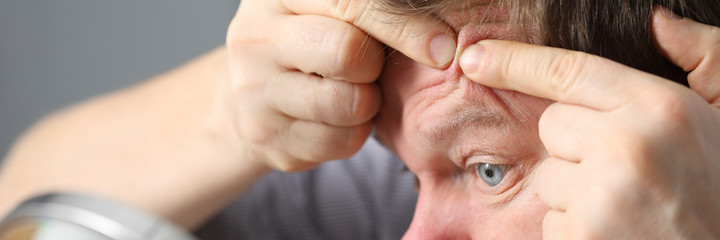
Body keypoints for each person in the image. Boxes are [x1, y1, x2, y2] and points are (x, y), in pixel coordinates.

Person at [1, 0, 719, 239]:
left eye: (490, 169)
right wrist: (230, 112)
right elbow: (25, 211)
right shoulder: (399, 178)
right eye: (409, 174)